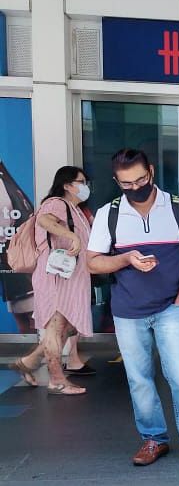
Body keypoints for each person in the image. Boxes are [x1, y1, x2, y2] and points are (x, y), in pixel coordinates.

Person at [87, 148, 179, 467]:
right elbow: (92, 263)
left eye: (140, 179)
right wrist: (125, 258)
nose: (135, 188)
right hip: (128, 312)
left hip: (171, 308)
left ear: (152, 172)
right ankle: (154, 439)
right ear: (117, 181)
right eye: (126, 183)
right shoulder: (109, 214)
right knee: (139, 379)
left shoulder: (177, 208)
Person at [11, 166, 93, 395]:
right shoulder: (56, 203)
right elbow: (45, 221)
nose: (85, 187)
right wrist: (70, 235)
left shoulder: (76, 209)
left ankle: (27, 362)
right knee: (56, 328)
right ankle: (57, 379)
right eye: (81, 181)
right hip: (57, 278)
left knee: (68, 326)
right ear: (67, 185)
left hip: (71, 279)